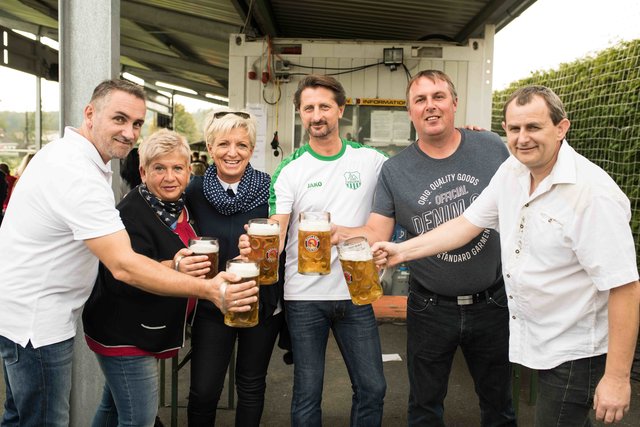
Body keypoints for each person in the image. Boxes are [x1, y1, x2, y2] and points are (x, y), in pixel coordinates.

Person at [372, 85, 640, 426]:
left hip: (575, 349)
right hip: (538, 337)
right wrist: (400, 250)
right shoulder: (512, 171)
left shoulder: (592, 194)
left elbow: (625, 287)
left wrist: (617, 377)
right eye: (514, 129)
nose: (522, 138)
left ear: (561, 128)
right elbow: (465, 224)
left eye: (533, 127)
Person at [0, 79, 257, 426]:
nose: (129, 132)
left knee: (28, 417)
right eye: (119, 119)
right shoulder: (77, 172)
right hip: (38, 322)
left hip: (33, 315)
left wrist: (178, 262)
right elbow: (123, 265)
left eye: (137, 123)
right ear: (90, 114)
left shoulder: (83, 161)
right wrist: (212, 289)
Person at [332, 69, 515, 425]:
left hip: (492, 301)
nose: (430, 106)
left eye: (438, 97)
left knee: (499, 407)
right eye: (420, 100)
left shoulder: (492, 147)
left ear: (454, 104)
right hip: (430, 306)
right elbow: (375, 231)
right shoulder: (395, 171)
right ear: (410, 111)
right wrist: (337, 231)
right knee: (424, 408)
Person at [242, 74, 387, 426]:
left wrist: (469, 137)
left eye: (324, 106)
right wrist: (255, 246)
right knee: (308, 392)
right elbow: (276, 230)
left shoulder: (373, 161)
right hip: (304, 295)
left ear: (341, 109)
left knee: (373, 388)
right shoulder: (290, 169)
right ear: (300, 114)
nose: (317, 114)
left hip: (356, 291)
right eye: (309, 108)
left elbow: (418, 165)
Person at [81, 128, 206, 425]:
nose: (170, 177)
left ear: (189, 171)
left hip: (150, 327)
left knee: (112, 409)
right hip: (126, 333)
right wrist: (173, 267)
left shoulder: (181, 207)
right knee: (139, 420)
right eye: (159, 168)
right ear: (143, 171)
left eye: (177, 168)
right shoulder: (129, 214)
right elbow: (123, 274)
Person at [185, 110, 285, 426]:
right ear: (211, 148)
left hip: (261, 302)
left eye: (241, 144)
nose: (232, 152)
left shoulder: (271, 189)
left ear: (252, 149)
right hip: (212, 303)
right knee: (203, 391)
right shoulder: (193, 190)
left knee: (252, 386)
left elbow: (285, 241)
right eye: (223, 144)